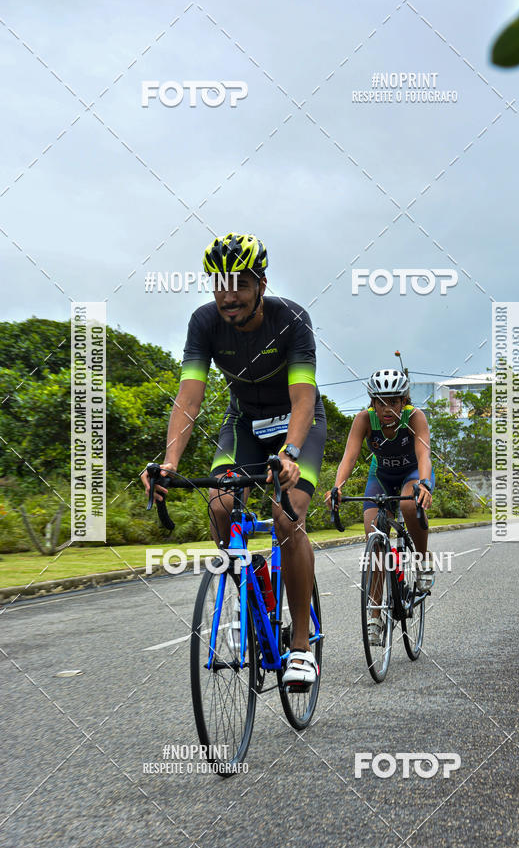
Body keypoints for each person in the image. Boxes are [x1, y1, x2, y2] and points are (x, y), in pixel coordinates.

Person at [142, 233, 326, 688]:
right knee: (222, 506)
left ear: (261, 284)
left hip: (297, 423)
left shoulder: (292, 319)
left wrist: (290, 453)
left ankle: (300, 648)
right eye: (219, 284)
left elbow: (303, 397)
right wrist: (168, 463)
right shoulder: (204, 322)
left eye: (240, 284)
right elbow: (189, 398)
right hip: (243, 423)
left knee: (287, 517)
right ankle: (255, 584)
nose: (228, 295)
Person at [326, 369, 434, 645]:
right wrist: (338, 487)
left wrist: (425, 484)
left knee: (410, 506)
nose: (388, 409)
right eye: (381, 402)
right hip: (381, 476)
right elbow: (349, 456)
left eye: (394, 401)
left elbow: (423, 451)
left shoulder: (415, 417)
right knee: (374, 537)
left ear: (404, 400)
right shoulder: (364, 419)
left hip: (412, 473)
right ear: (372, 402)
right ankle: (374, 614)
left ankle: (422, 563)